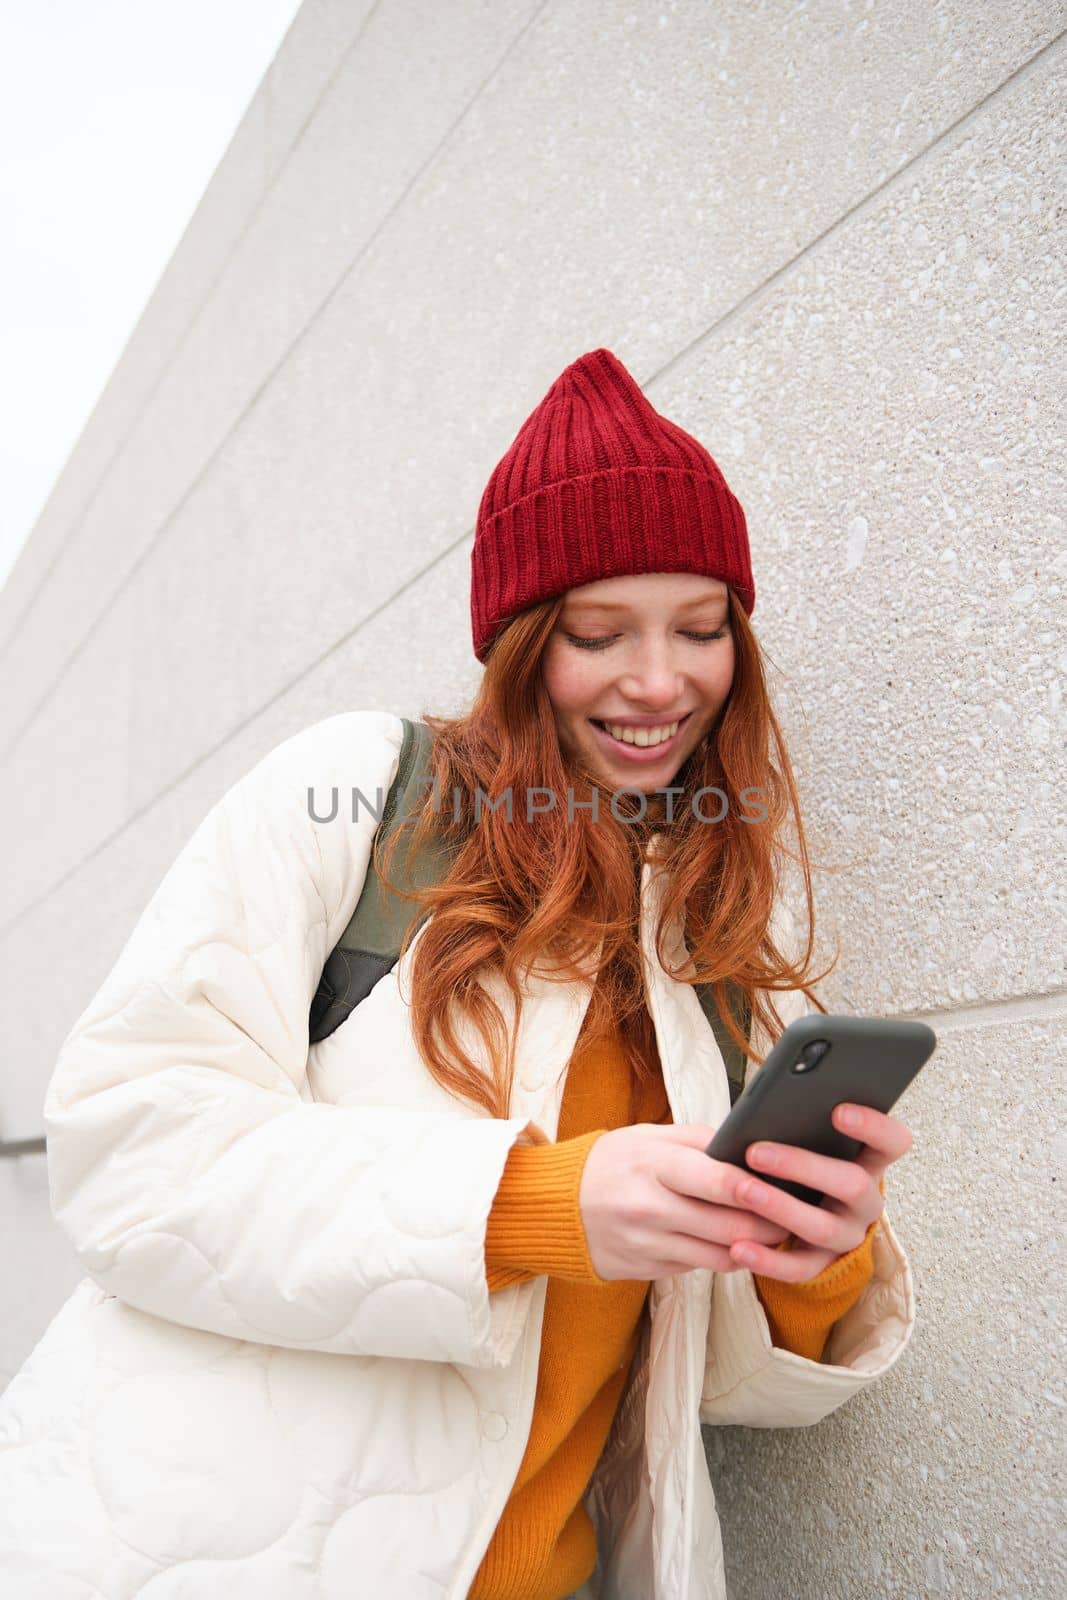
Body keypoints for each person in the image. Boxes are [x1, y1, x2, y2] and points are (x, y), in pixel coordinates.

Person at [0, 348, 915, 1600]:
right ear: (520, 642)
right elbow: (126, 1152)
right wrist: (527, 1207)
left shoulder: (708, 938)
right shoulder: (362, 796)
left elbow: (699, 1390)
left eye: (700, 628)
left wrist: (812, 1261)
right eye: (599, 633)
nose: (659, 680)